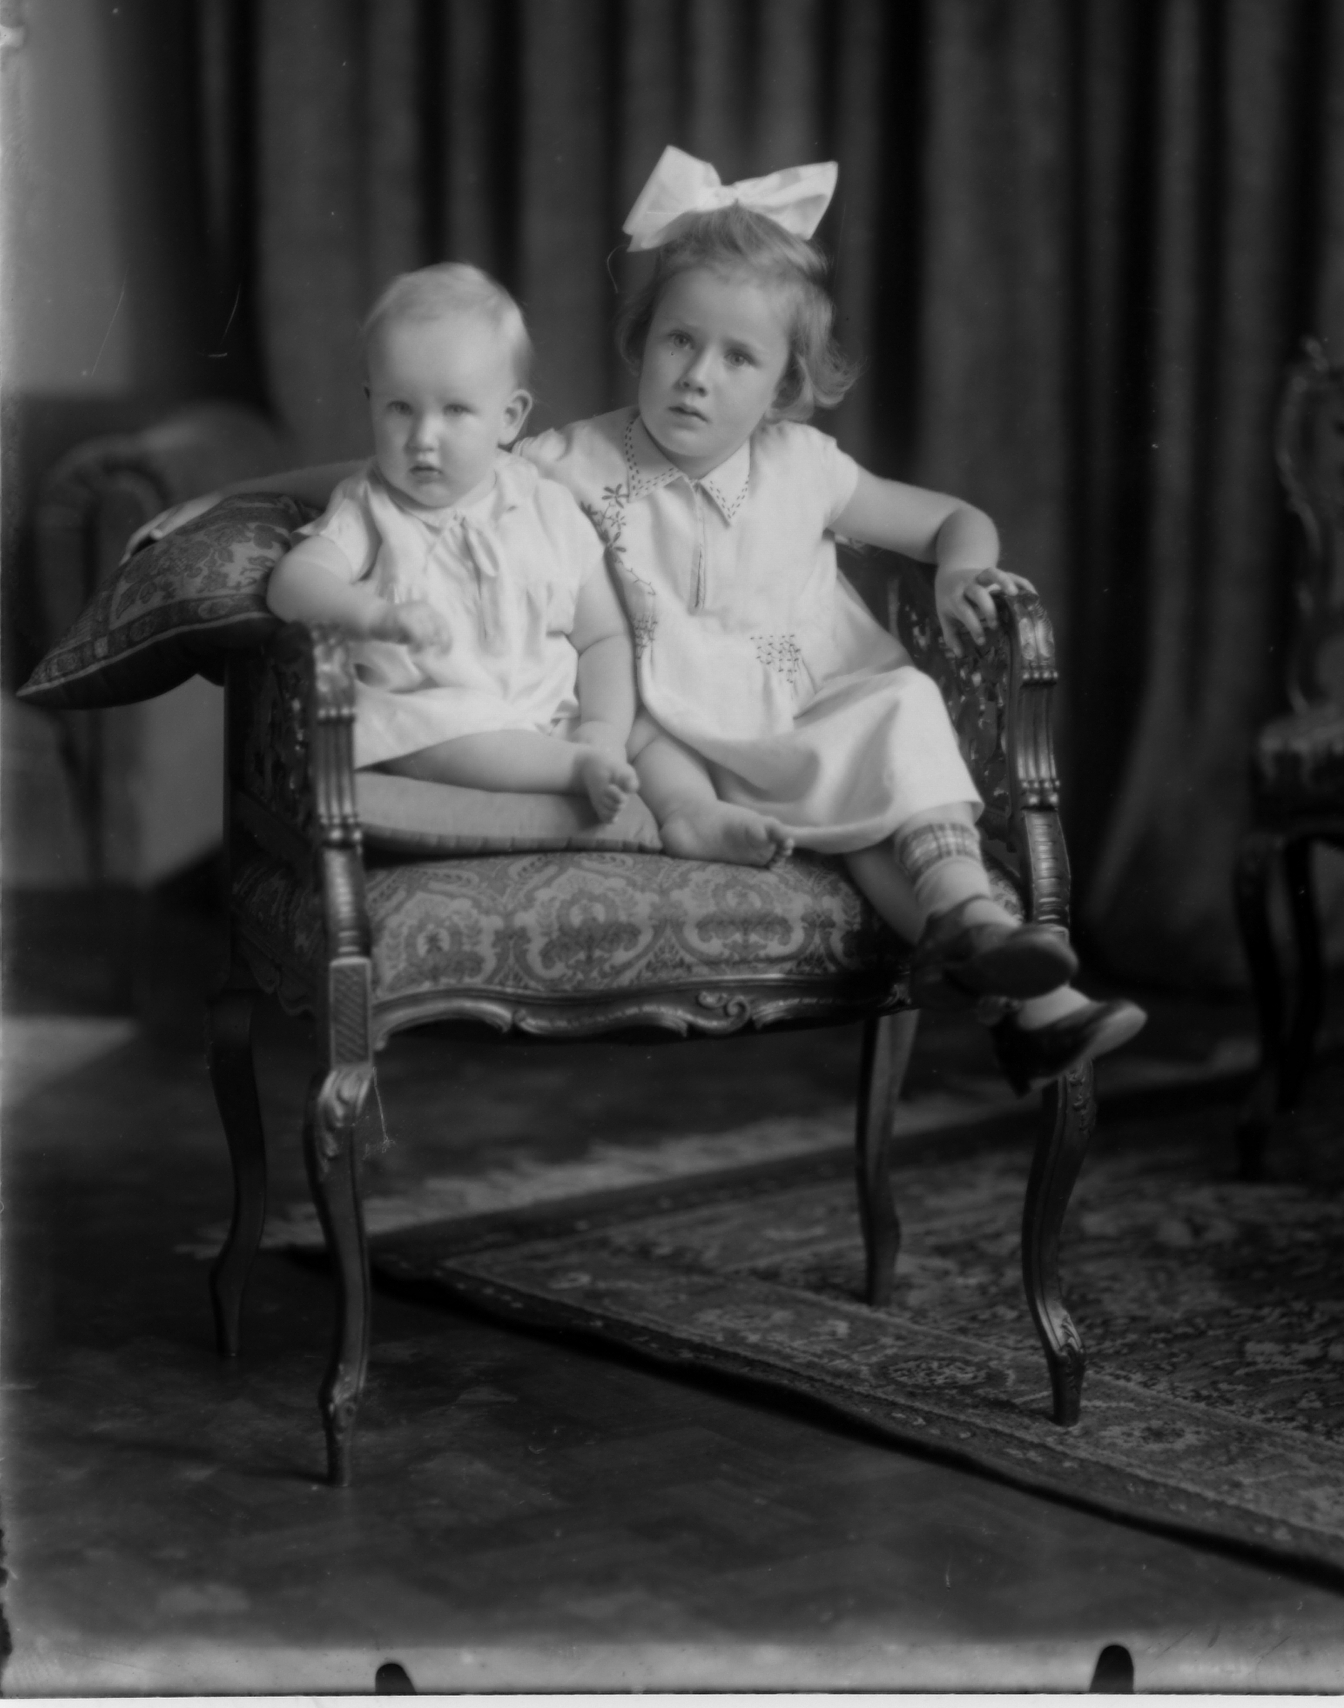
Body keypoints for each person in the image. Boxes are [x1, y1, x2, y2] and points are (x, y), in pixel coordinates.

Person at [133, 151, 1144, 1088]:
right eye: (679, 341)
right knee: (848, 783)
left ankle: (996, 960)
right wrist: (232, 498)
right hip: (686, 741)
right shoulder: (575, 460)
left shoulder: (807, 468)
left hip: (812, 718)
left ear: (784, 384)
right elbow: (395, 471)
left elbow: (952, 520)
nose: (697, 374)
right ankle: (999, 971)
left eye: (737, 358)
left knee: (899, 709)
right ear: (643, 342)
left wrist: (964, 567)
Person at [266, 262, 639, 822]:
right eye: (399, 408)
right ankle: (570, 771)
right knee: (430, 731)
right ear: (370, 401)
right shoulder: (371, 507)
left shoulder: (549, 508)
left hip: (548, 716)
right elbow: (292, 581)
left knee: (649, 734)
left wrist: (605, 728)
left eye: (455, 410)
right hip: (439, 724)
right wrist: (372, 617)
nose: (422, 438)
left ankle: (595, 762)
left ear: (509, 417)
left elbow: (605, 636)